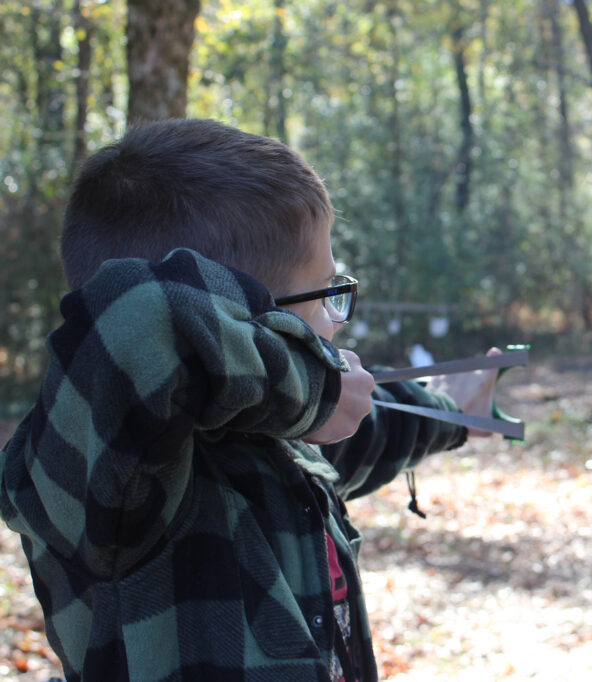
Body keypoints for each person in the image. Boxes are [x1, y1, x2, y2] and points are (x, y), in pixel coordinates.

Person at [0, 119, 498, 682]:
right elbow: (141, 320)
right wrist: (319, 385)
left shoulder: (268, 438)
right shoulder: (110, 476)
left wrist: (450, 408)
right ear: (246, 320)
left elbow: (371, 427)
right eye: (326, 295)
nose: (335, 324)